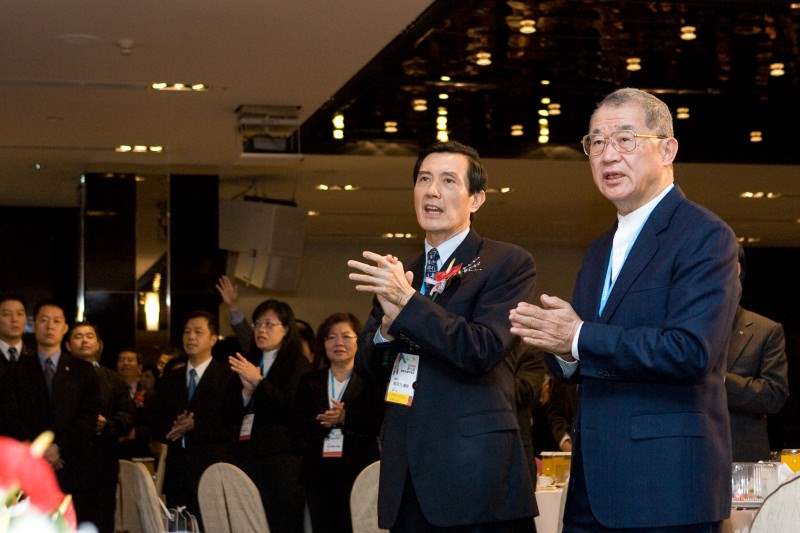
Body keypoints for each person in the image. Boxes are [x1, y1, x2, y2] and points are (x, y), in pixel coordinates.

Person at [510, 87, 740, 532]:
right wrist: (562, 350)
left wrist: (578, 336)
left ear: (667, 149)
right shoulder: (599, 249)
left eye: (625, 139)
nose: (608, 154)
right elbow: (584, 354)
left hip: (666, 489)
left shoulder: (704, 236)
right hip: (592, 489)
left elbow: (691, 351)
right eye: (596, 142)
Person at [348, 141, 537, 532]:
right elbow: (367, 367)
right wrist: (385, 330)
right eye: (424, 179)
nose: (432, 191)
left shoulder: (505, 262)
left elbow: (481, 348)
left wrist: (407, 303)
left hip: (477, 476)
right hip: (407, 474)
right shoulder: (403, 272)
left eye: (448, 181)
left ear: (476, 199)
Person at [292, 312, 384, 533]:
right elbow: (296, 423)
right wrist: (322, 423)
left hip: (359, 469)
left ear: (358, 341)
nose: (338, 343)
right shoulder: (309, 380)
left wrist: (346, 418)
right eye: (331, 337)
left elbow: (378, 420)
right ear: (323, 343)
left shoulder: (371, 380)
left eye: (346, 336)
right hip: (318, 472)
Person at [225, 297, 311, 533]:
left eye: (269, 324)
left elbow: (292, 409)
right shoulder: (248, 360)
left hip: (281, 460)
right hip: (246, 456)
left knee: (280, 523)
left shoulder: (298, 363)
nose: (261, 330)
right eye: (257, 324)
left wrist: (259, 382)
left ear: (286, 329)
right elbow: (228, 413)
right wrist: (245, 394)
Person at [13, 301, 101, 526]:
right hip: (30, 468)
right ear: (34, 326)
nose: (50, 326)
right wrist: (40, 449)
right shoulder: (17, 369)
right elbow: (11, 415)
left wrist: (58, 447)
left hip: (72, 466)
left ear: (65, 328)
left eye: (56, 321)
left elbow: (88, 416)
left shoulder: (84, 371)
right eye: (43, 320)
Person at [156, 311, 242, 517]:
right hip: (177, 474)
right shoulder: (171, 378)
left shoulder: (228, 377)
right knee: (179, 526)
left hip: (212, 470)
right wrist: (174, 426)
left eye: (198, 332)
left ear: (213, 339)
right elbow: (156, 422)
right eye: (187, 332)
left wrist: (195, 426)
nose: (191, 337)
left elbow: (233, 424)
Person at [66, 322, 135, 533]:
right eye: (78, 336)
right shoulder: (59, 376)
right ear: (68, 345)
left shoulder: (113, 379)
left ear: (99, 344)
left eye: (89, 336)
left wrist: (108, 425)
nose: (84, 340)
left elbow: (128, 415)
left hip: (103, 464)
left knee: (102, 522)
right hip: (68, 464)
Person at [726, 247, 789, 461]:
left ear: (736, 270)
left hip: (741, 460)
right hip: (684, 453)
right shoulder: (680, 329)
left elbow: (774, 395)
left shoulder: (766, 330)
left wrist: (719, 380)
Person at [0, 295, 33, 435]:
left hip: (31, 440)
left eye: (20, 314)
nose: (14, 319)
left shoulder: (36, 357)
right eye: (6, 314)